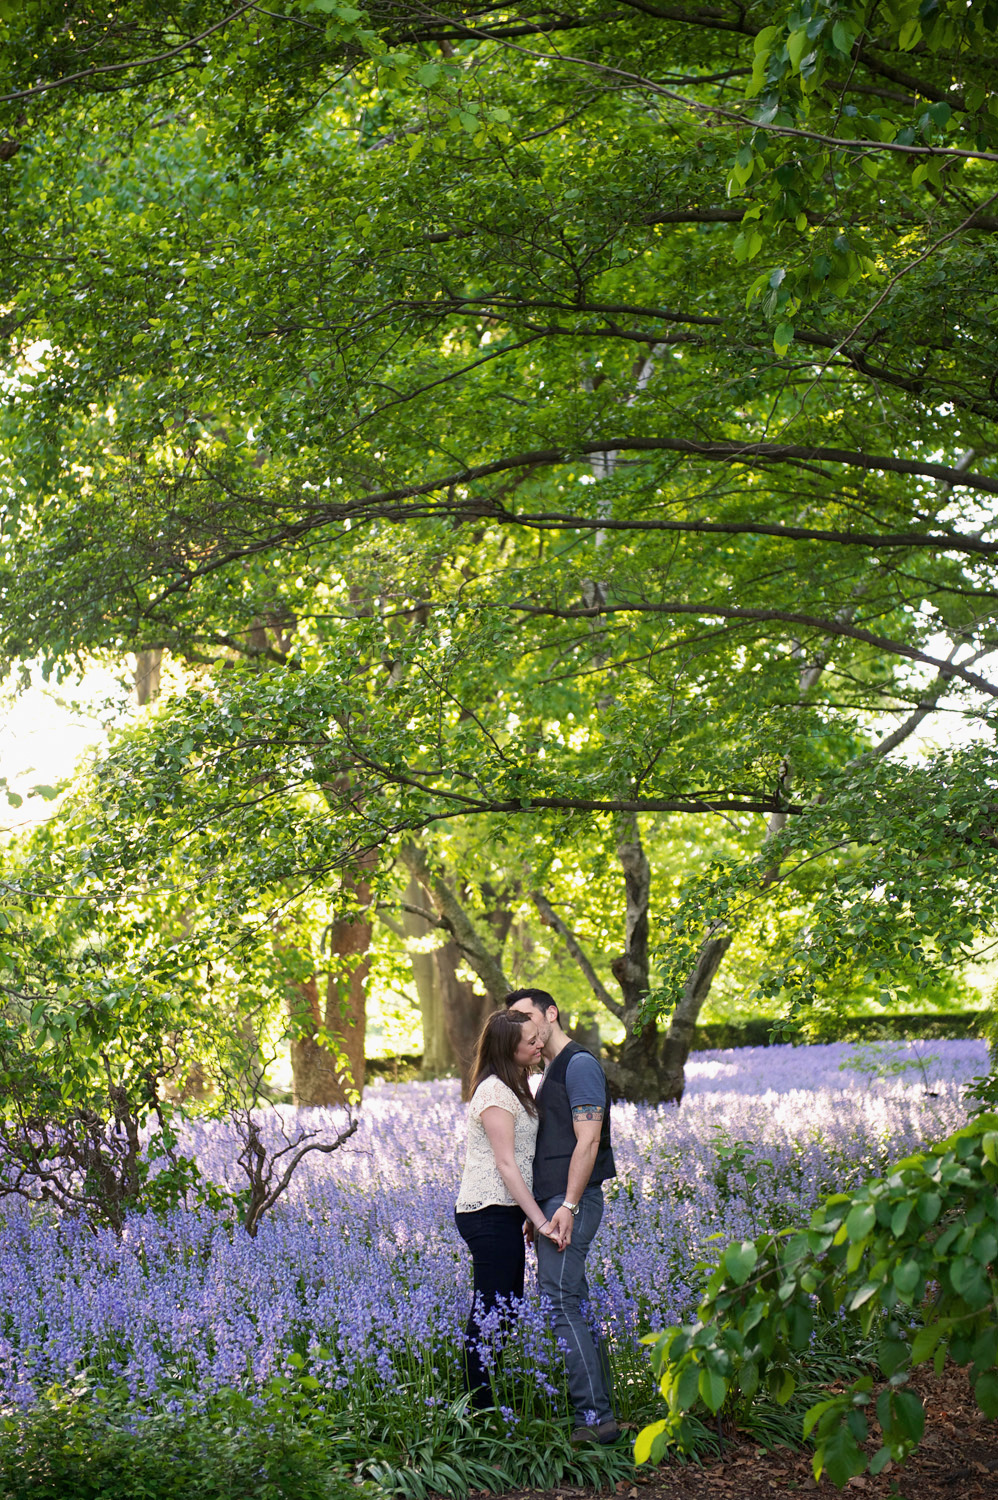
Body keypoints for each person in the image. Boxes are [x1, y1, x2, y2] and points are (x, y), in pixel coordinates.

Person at [505, 987, 619, 1445]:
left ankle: (594, 1419)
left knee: (560, 1301)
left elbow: (588, 1140)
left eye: (526, 1015)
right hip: (553, 1203)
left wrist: (568, 1205)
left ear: (550, 1014)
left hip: (574, 1201)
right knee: (574, 1298)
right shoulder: (549, 1070)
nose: (520, 1026)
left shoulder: (580, 1064)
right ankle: (602, 1410)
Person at [454, 1009, 564, 1407]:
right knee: (492, 1310)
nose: (539, 1045)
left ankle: (481, 1398)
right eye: (530, 1041)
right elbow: (506, 1163)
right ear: (507, 1048)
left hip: (504, 1212)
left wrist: (528, 1215)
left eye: (539, 1038)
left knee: (505, 1309)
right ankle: (475, 1407)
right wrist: (538, 1219)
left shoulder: (517, 1085)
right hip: (486, 1211)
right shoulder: (494, 1092)